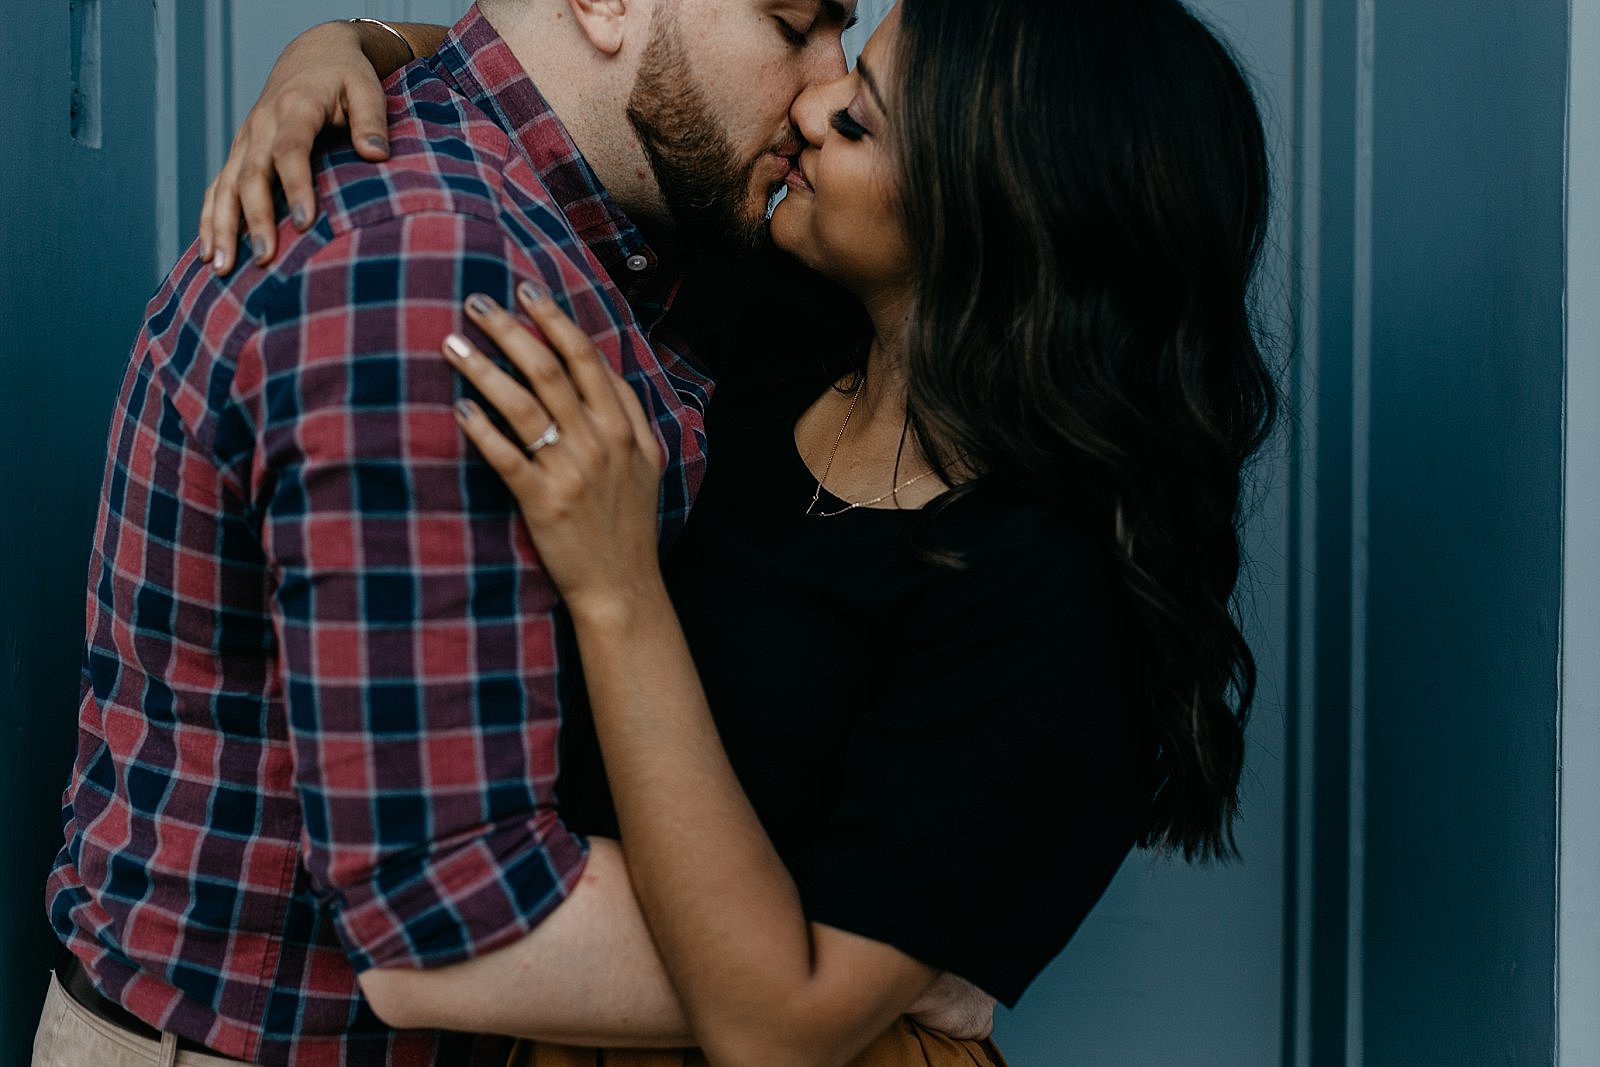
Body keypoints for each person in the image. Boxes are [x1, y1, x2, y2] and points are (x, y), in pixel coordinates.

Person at [203, 0, 1280, 1064]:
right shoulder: (777, 335)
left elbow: (778, 1028)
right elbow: (575, 67)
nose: (813, 106)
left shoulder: (1045, 597)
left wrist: (616, 586)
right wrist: (346, 46)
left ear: (996, 217)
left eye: (859, 119)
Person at [36, 2, 986, 1064]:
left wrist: (358, 35)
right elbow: (452, 925)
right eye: (793, 23)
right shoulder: (424, 269)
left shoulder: (590, 221)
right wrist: (868, 964)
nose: (823, 88)